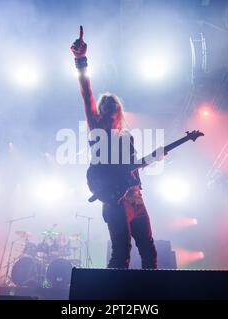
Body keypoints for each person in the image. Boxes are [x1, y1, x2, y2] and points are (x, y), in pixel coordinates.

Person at [71, 26, 158, 269]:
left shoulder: (126, 137)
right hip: (115, 202)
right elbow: (86, 93)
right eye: (105, 107)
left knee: (149, 252)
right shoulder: (96, 128)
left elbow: (133, 166)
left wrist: (154, 158)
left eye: (114, 107)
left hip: (137, 199)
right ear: (102, 111)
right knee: (121, 254)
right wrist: (80, 60)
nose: (110, 111)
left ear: (119, 111)